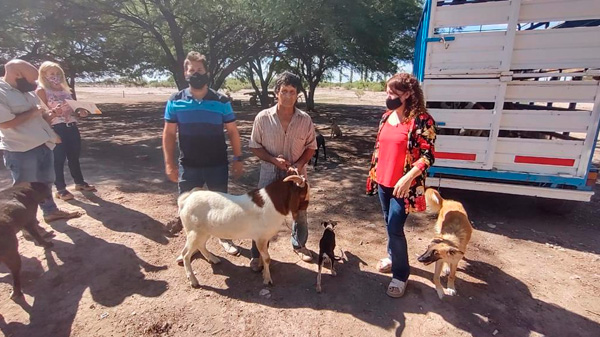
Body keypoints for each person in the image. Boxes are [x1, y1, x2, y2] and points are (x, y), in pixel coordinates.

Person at [163, 51, 244, 256]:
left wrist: (237, 158)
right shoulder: (175, 100)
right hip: (188, 165)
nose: (196, 73)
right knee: (187, 208)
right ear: (185, 73)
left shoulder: (221, 100)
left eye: (200, 70)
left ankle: (225, 238)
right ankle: (193, 245)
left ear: (207, 72)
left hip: (217, 164)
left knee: (222, 205)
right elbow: (169, 133)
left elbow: (233, 131)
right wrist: (169, 164)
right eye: (192, 70)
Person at [366, 73, 437, 298]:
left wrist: (407, 178)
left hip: (403, 187)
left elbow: (428, 155)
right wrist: (374, 176)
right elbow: (380, 149)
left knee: (395, 228)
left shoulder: (423, 120)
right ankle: (392, 255)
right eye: (387, 92)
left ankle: (400, 275)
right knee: (389, 223)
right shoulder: (386, 117)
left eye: (392, 93)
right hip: (383, 181)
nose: (388, 97)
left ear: (407, 94)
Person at [248, 71, 317, 271]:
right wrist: (273, 160)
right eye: (284, 91)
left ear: (298, 95)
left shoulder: (305, 120)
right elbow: (254, 146)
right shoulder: (262, 118)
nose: (287, 95)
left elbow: (311, 147)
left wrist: (299, 164)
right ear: (276, 92)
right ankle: (258, 254)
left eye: (292, 91)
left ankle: (299, 244)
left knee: (300, 211)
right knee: (262, 214)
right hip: (269, 175)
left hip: (297, 176)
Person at [0, 59, 82, 223]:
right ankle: (27, 225)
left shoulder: (28, 92)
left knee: (44, 184)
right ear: (17, 74)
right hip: (21, 149)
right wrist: (33, 113)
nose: (34, 83)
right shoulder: (2, 93)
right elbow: (4, 123)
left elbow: (42, 117)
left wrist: (51, 114)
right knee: (24, 190)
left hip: (43, 144)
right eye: (31, 80)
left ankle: (50, 211)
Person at [36, 61, 96, 201]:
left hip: (71, 126)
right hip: (55, 128)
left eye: (58, 74)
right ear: (44, 75)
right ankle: (61, 189)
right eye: (52, 74)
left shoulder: (66, 90)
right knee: (58, 159)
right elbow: (40, 115)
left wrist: (80, 112)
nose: (55, 76)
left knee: (74, 157)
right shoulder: (41, 91)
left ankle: (79, 183)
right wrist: (52, 117)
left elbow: (73, 109)